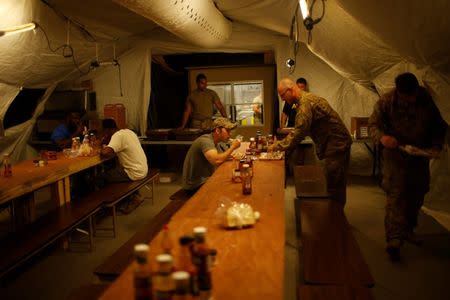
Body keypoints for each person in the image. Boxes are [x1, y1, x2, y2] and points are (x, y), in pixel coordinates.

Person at [368, 72, 447, 260]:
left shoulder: (427, 99)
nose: (411, 100)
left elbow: (439, 125)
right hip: (395, 155)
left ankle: (408, 229)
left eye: (413, 96)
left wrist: (436, 145)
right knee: (396, 194)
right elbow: (373, 125)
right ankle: (394, 239)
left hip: (419, 155)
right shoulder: (387, 101)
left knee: (418, 192)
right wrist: (383, 138)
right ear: (399, 92)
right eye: (407, 97)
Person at [269, 78, 353, 205]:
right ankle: (333, 215)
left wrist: (276, 147)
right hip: (333, 143)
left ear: (290, 90)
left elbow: (299, 132)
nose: (282, 99)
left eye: (282, 95)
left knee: (334, 185)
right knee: (333, 183)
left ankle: (336, 220)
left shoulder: (304, 104)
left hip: (337, 145)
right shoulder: (305, 99)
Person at [182, 117, 241, 192]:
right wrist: (233, 147)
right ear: (217, 130)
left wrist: (231, 156)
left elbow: (221, 157)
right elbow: (216, 160)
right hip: (194, 185)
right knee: (231, 187)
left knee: (235, 178)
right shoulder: (205, 141)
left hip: (206, 179)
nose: (230, 134)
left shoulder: (217, 142)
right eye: (227, 131)